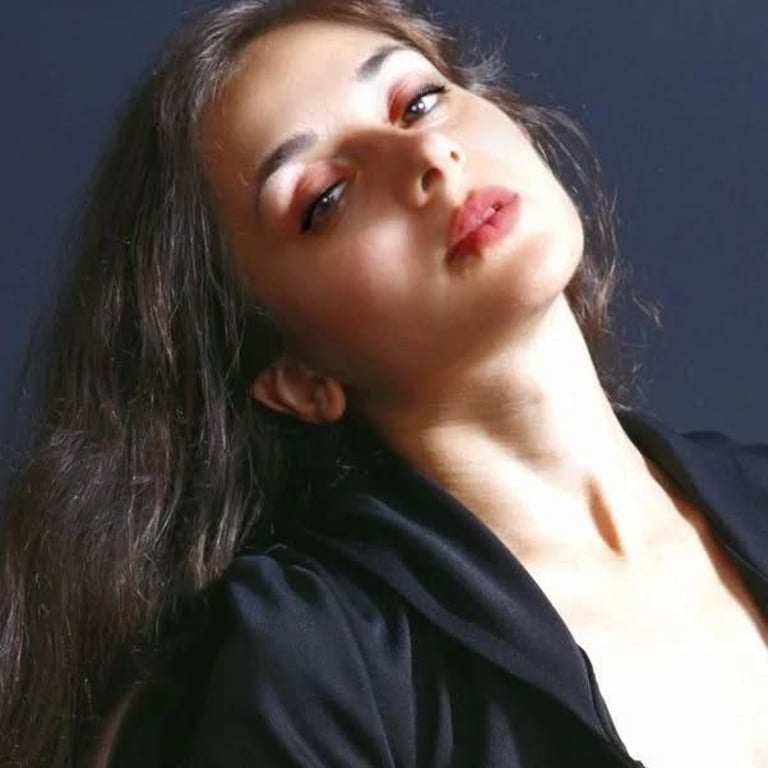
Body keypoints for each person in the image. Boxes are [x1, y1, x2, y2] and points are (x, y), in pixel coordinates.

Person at [1, 0, 766, 766]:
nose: (429, 154)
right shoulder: (317, 665)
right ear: (295, 376)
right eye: (325, 199)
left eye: (419, 101)